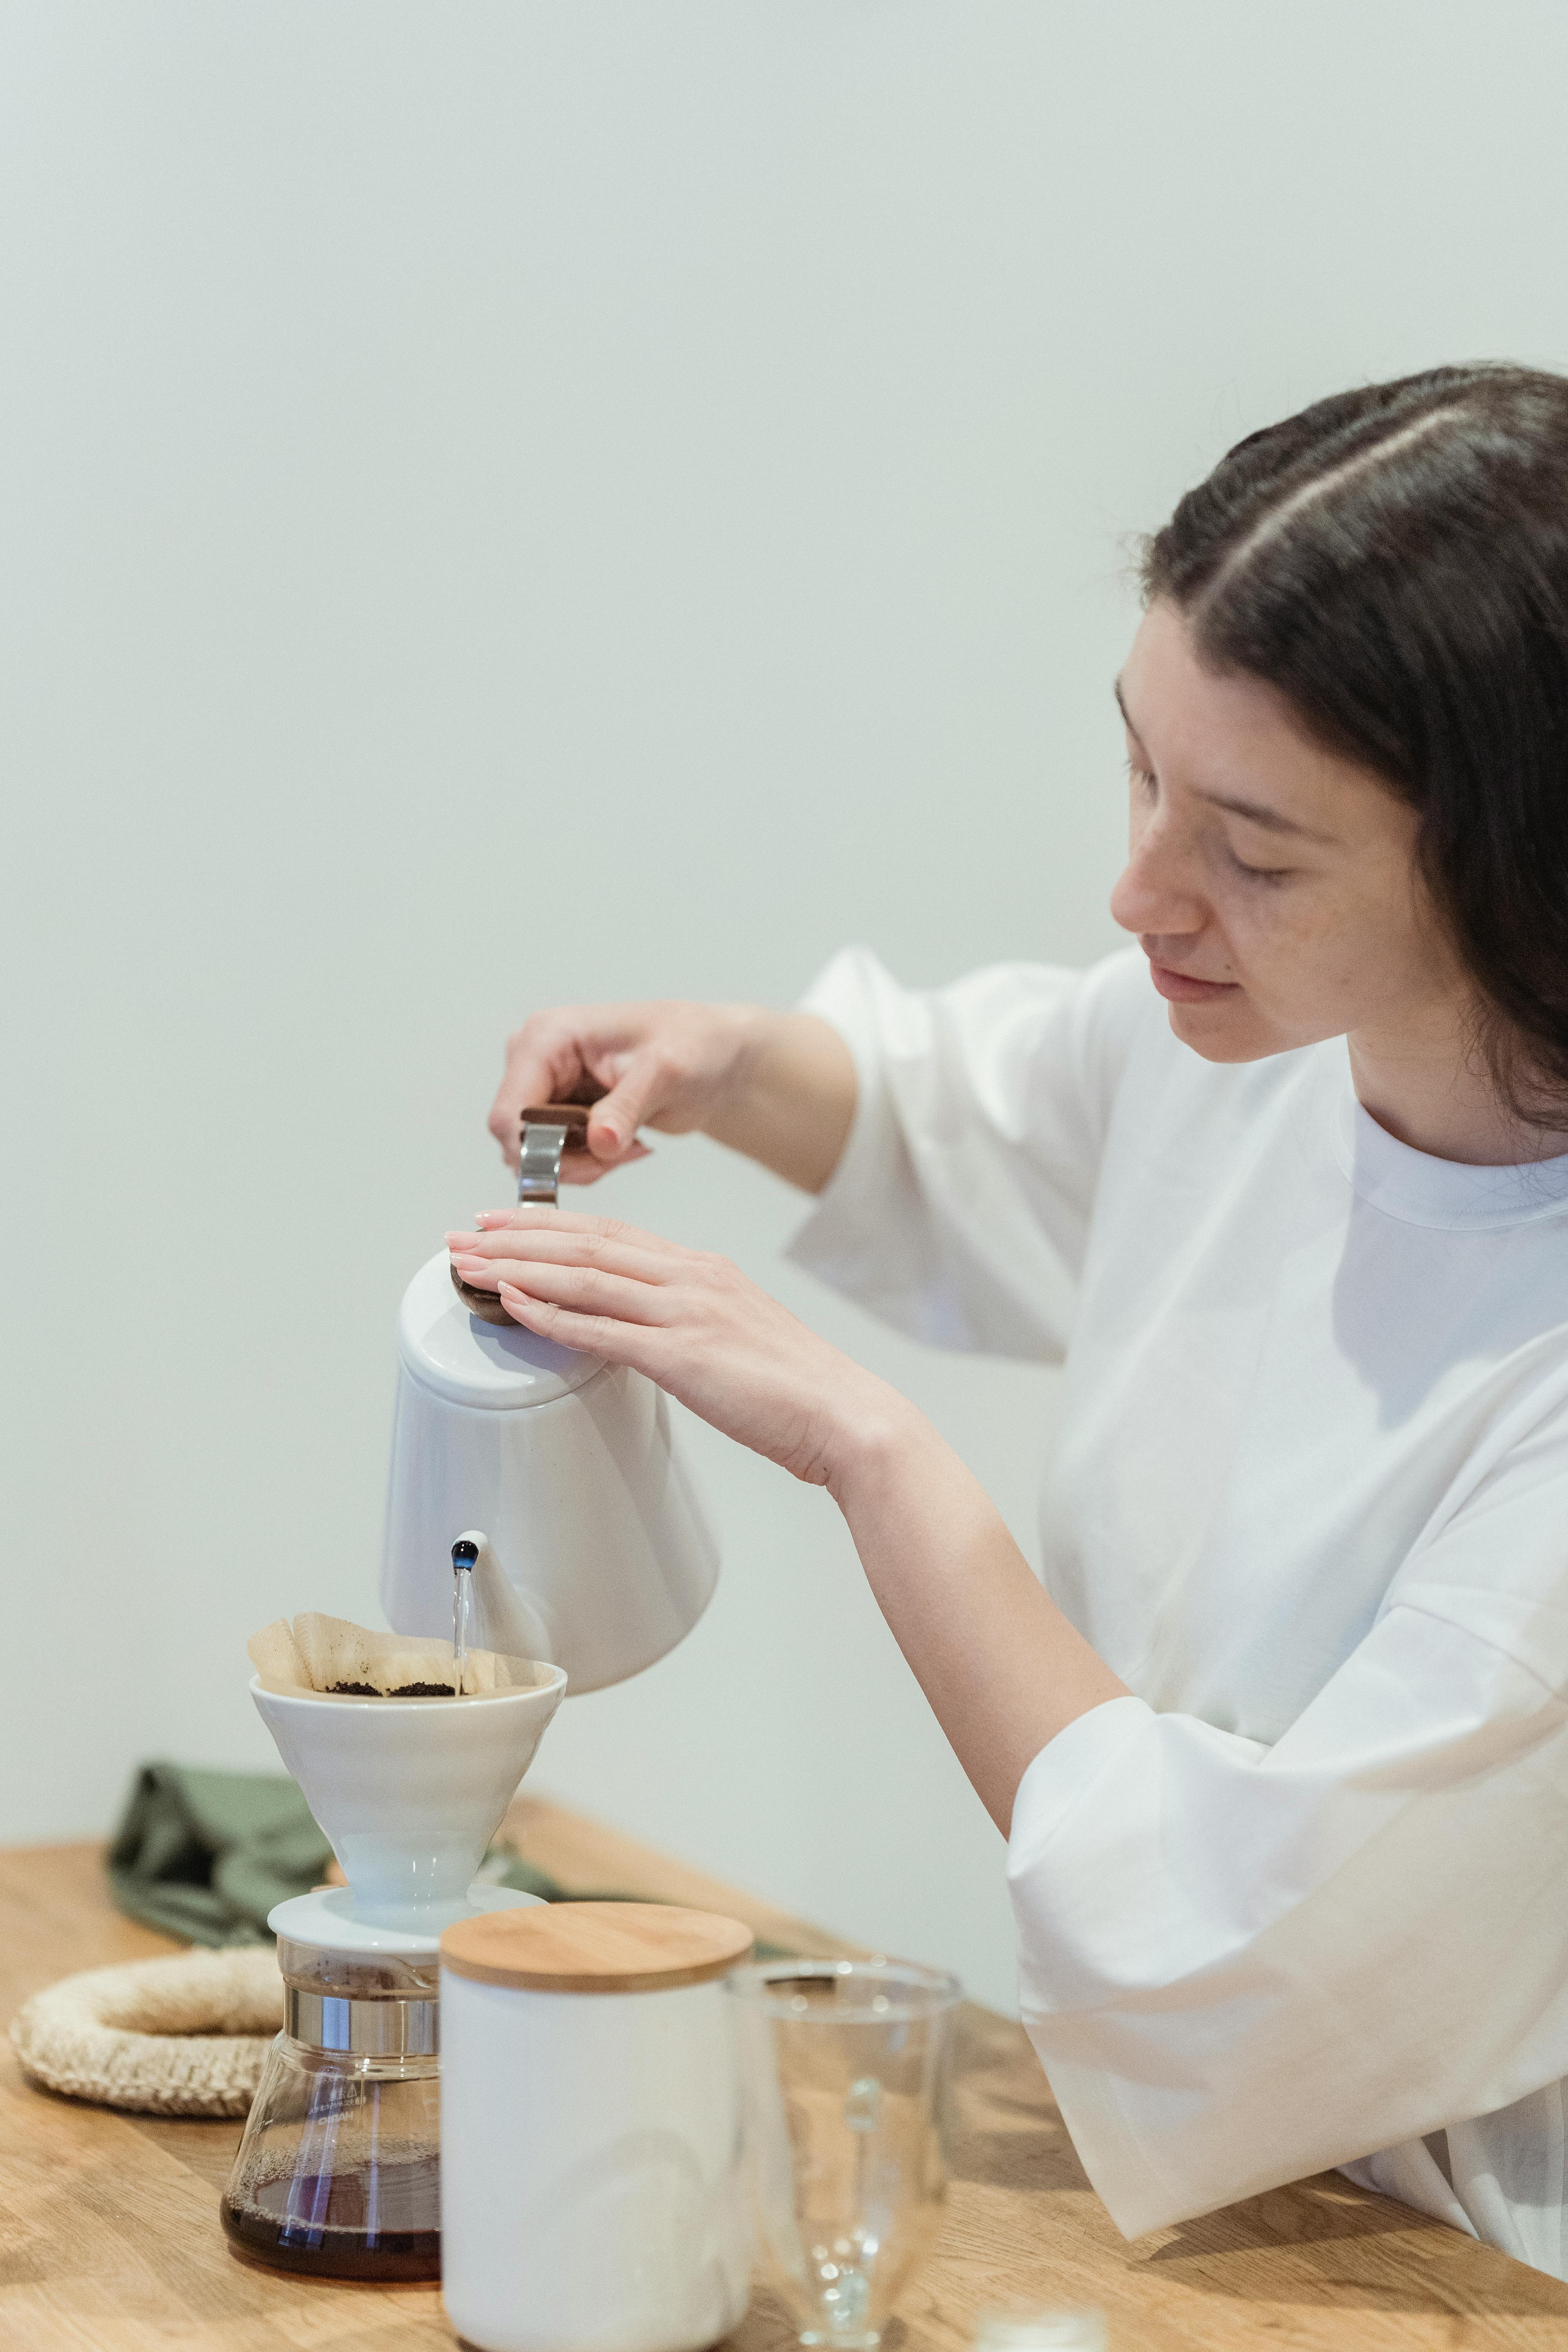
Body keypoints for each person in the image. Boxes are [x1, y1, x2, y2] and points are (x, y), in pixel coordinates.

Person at [447, 364, 1568, 2279]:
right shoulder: (1259, 1048)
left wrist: (874, 1460)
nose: (1136, 891)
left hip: (1462, 2276)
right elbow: (984, 1110)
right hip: (1247, 2236)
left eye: (1255, 850)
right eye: (1138, 767)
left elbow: (1254, 1959)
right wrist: (727, 1064)